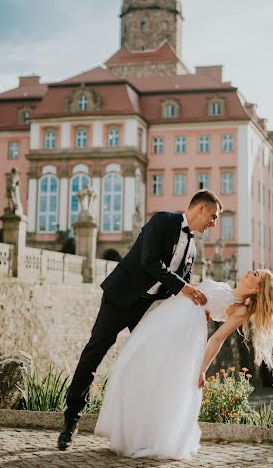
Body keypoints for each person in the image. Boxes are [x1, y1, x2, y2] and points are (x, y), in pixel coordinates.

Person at [57, 189, 223, 451]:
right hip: (121, 298)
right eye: (213, 216)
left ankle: (136, 430)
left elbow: (184, 283)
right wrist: (185, 289)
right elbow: (150, 262)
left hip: (149, 309)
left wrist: (198, 307)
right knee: (94, 353)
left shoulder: (192, 245)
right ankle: (70, 423)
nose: (214, 222)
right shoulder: (161, 221)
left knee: (148, 363)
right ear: (200, 209)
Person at [95, 269, 273, 460]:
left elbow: (217, 339)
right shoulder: (225, 288)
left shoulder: (240, 309)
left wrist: (202, 370)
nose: (250, 271)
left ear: (256, 288)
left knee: (160, 378)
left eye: (256, 274)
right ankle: (136, 432)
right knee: (139, 366)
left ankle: (149, 437)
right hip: (168, 315)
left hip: (184, 331)